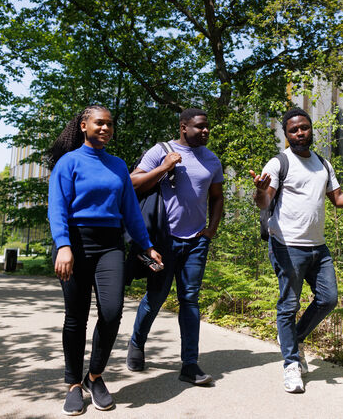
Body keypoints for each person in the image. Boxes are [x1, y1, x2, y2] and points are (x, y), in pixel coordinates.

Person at [250, 108, 343, 393]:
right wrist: (258, 190)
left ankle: (294, 338)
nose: (300, 133)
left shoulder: (322, 164)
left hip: (318, 247)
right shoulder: (279, 163)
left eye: (304, 127)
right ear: (286, 134)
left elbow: (337, 199)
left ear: (311, 128)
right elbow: (264, 202)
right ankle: (291, 364)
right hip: (287, 246)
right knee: (288, 306)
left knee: (328, 299)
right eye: (293, 130)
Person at [47, 105, 159, 416]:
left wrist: (147, 246)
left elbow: (131, 212)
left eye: (109, 124)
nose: (106, 128)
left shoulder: (118, 166)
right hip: (75, 243)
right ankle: (73, 384)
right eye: (99, 123)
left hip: (110, 245)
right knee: (76, 316)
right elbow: (57, 207)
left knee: (111, 312)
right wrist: (64, 246)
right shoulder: (68, 163)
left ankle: (94, 376)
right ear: (84, 125)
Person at [126, 108, 224, 386]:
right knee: (156, 297)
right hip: (163, 240)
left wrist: (211, 230)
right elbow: (132, 183)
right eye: (199, 127)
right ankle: (137, 342)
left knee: (190, 300)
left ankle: (189, 364)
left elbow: (217, 197)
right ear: (183, 126)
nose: (205, 131)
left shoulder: (212, 159)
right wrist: (163, 168)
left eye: (207, 127)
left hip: (196, 241)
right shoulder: (161, 150)